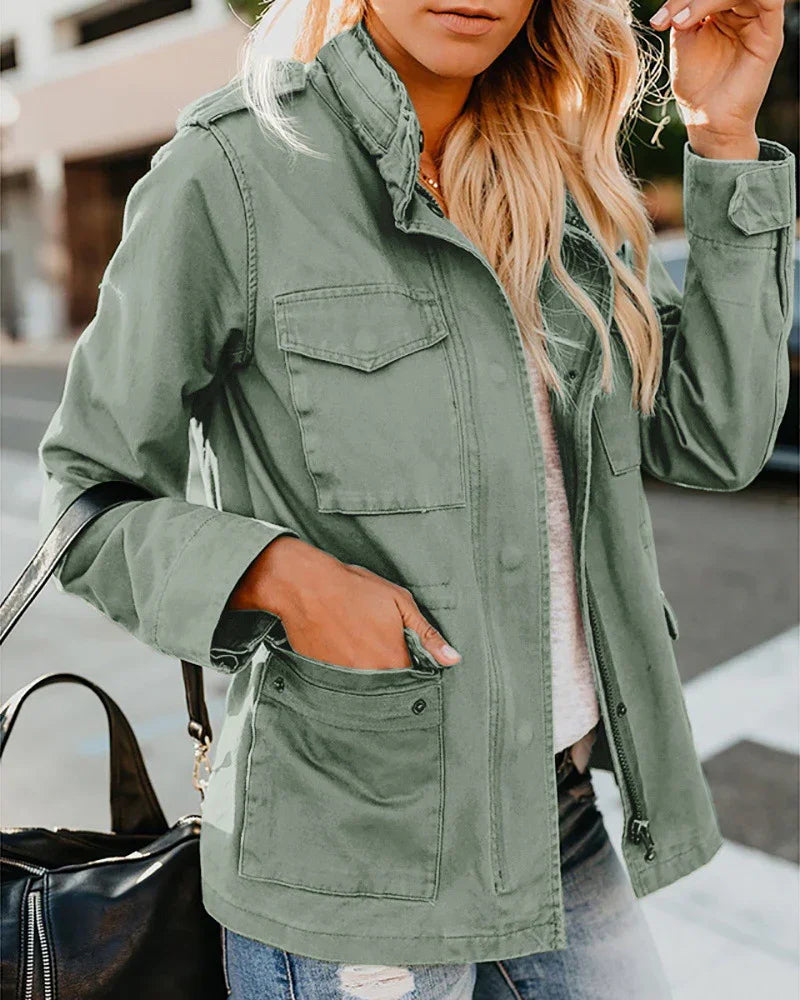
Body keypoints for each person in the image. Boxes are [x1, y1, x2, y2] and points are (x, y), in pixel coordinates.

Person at [37, 1, 794, 997]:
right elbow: (87, 494)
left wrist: (721, 134)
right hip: (353, 852)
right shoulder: (234, 170)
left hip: (557, 821)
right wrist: (282, 577)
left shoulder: (553, 178)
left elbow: (714, 439)